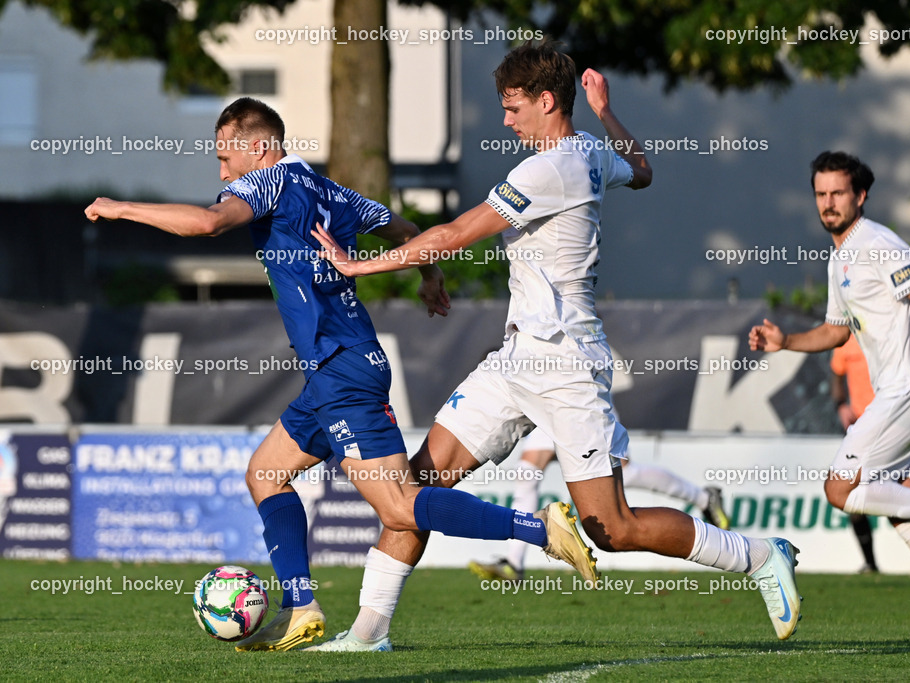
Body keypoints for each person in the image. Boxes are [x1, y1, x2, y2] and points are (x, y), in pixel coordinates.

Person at [308, 42, 802, 652]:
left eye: (514, 107)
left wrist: (359, 267)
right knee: (414, 489)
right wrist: (605, 112)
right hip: (516, 361)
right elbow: (642, 170)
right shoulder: (590, 151)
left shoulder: (551, 168)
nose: (507, 120)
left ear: (546, 101)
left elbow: (456, 233)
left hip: (567, 365)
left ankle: (758, 555)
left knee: (609, 529)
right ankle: (368, 634)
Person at [83, 97, 602, 651]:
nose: (222, 172)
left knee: (401, 506)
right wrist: (430, 273)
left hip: (343, 369)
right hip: (333, 371)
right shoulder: (331, 190)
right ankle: (301, 606)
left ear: (258, 148)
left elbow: (209, 223)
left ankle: (542, 530)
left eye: (225, 157)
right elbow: (405, 227)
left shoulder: (270, 184)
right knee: (265, 474)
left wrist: (121, 209)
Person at [749, 150, 910, 629]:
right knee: (905, 507)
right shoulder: (839, 255)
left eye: (838, 193)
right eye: (821, 194)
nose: (828, 203)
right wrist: (787, 341)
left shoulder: (879, 244)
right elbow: (836, 331)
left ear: (860, 196)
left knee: (840, 488)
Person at [470, 427, 732, 583]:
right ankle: (514, 562)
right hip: (545, 398)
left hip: (580, 394)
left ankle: (703, 498)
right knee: (527, 472)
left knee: (624, 474)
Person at [830, 335, 880, 573]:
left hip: (891, 426)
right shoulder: (846, 337)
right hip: (859, 428)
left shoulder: (888, 329)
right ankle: (870, 564)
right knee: (848, 494)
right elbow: (837, 376)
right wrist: (841, 404)